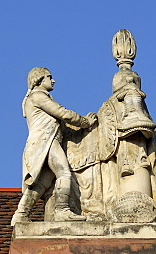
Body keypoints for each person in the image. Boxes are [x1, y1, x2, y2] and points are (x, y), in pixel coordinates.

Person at [11, 67, 95, 224]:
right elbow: (62, 113)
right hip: (45, 142)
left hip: (45, 142)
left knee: (42, 183)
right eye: (49, 77)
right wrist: (85, 122)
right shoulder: (38, 97)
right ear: (39, 80)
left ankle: (21, 214)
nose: (53, 80)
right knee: (64, 173)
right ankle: (62, 210)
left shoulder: (37, 98)